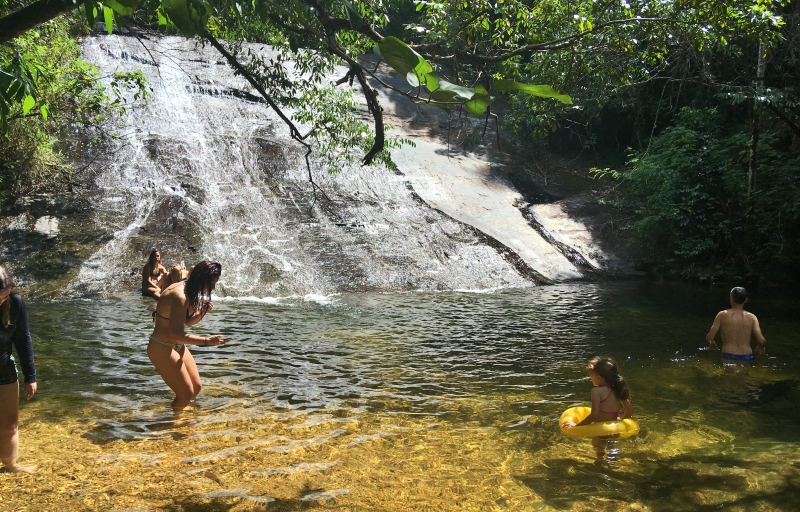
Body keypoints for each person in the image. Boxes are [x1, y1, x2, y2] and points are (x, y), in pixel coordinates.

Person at [148, 260, 228, 411]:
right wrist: (206, 341)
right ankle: (174, 424)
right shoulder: (180, 295)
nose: (213, 287)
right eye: (212, 283)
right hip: (161, 347)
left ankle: (179, 413)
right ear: (202, 278)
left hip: (176, 345)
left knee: (195, 387)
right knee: (185, 393)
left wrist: (202, 312)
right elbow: (175, 333)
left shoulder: (188, 290)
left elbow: (187, 323)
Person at [0, 266, 37, 473]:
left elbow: (23, 340)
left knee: (9, 424)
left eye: (4, 296)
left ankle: (10, 465)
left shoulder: (16, 304)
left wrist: (30, 376)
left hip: (4, 368)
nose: (0, 301)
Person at [562, 357, 633, 457]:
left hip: (599, 432)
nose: (590, 377)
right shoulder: (617, 389)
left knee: (599, 456)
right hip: (614, 432)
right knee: (612, 456)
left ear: (599, 377)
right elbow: (630, 410)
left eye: (591, 374)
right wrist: (619, 426)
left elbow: (594, 415)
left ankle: (599, 469)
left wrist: (577, 426)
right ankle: (612, 470)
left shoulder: (596, 391)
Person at [706, 287, 766, 361]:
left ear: (731, 298)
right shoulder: (752, 317)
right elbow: (761, 340)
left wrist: (712, 344)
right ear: (746, 300)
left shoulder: (722, 315)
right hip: (746, 356)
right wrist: (761, 347)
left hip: (727, 355)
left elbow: (710, 337)